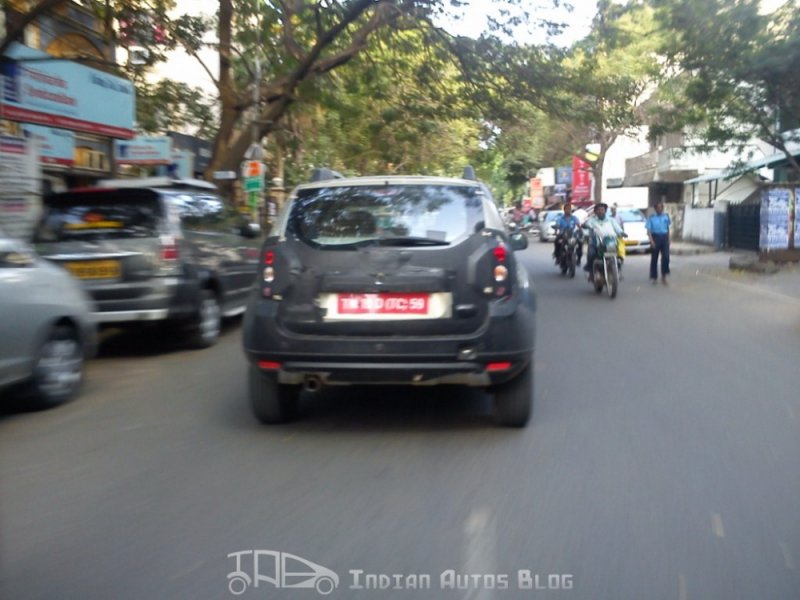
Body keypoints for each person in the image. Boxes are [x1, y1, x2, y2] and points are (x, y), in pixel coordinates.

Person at [583, 202, 625, 275]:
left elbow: (617, 228)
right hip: (596, 242)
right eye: (598, 210)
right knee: (591, 253)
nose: (600, 211)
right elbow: (586, 227)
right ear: (595, 211)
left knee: (619, 255)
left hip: (610, 242)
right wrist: (585, 231)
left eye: (602, 210)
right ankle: (590, 269)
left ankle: (618, 270)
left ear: (605, 211)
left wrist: (621, 233)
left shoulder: (611, 220)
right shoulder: (592, 220)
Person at [646, 200, 672, 285]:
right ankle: (654, 277)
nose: (659, 209)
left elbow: (668, 228)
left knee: (666, 257)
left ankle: (664, 275)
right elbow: (649, 231)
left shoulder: (666, 216)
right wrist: (651, 241)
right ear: (655, 209)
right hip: (655, 237)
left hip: (664, 237)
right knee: (654, 258)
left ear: (662, 208)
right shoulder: (651, 218)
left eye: (660, 207)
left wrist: (669, 239)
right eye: (657, 208)